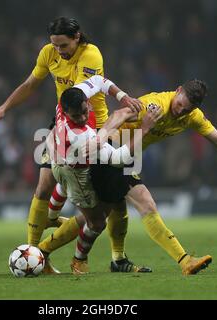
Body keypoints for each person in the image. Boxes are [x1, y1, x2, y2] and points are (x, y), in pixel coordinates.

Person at [38, 79, 217, 275]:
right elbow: (119, 113)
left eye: (186, 109)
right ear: (177, 91)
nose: (180, 111)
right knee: (142, 203)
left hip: (124, 156)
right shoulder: (155, 105)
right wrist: (101, 138)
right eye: (179, 105)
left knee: (105, 213)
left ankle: (96, 257)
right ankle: (184, 261)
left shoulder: (192, 117)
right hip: (111, 154)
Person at [0, 17, 145, 273]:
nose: (58, 50)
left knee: (109, 202)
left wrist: (123, 100)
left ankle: (111, 256)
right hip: (66, 125)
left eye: (63, 45)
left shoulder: (91, 55)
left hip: (95, 128)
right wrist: (5, 106)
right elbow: (30, 84)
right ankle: (35, 254)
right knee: (44, 186)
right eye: (54, 45)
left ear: (77, 37)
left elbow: (86, 92)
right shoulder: (48, 54)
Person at [45, 75, 159, 274]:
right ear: (65, 112)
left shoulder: (67, 99)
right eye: (76, 116)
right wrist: (145, 128)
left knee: (64, 184)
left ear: (86, 101)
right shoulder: (82, 136)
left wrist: (122, 96)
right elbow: (119, 159)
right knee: (97, 222)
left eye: (83, 112)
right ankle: (77, 260)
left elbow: (98, 80)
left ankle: (51, 216)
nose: (81, 118)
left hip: (59, 160)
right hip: (75, 174)